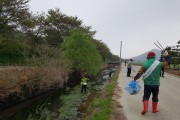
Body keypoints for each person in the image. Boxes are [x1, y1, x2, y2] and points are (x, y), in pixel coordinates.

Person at [133, 51, 170, 115]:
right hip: (156, 84)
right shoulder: (159, 63)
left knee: (146, 96)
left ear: (148, 57)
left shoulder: (144, 64)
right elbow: (168, 62)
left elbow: (139, 74)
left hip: (147, 84)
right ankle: (154, 109)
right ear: (154, 57)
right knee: (155, 96)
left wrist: (135, 79)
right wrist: (167, 55)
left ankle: (145, 108)